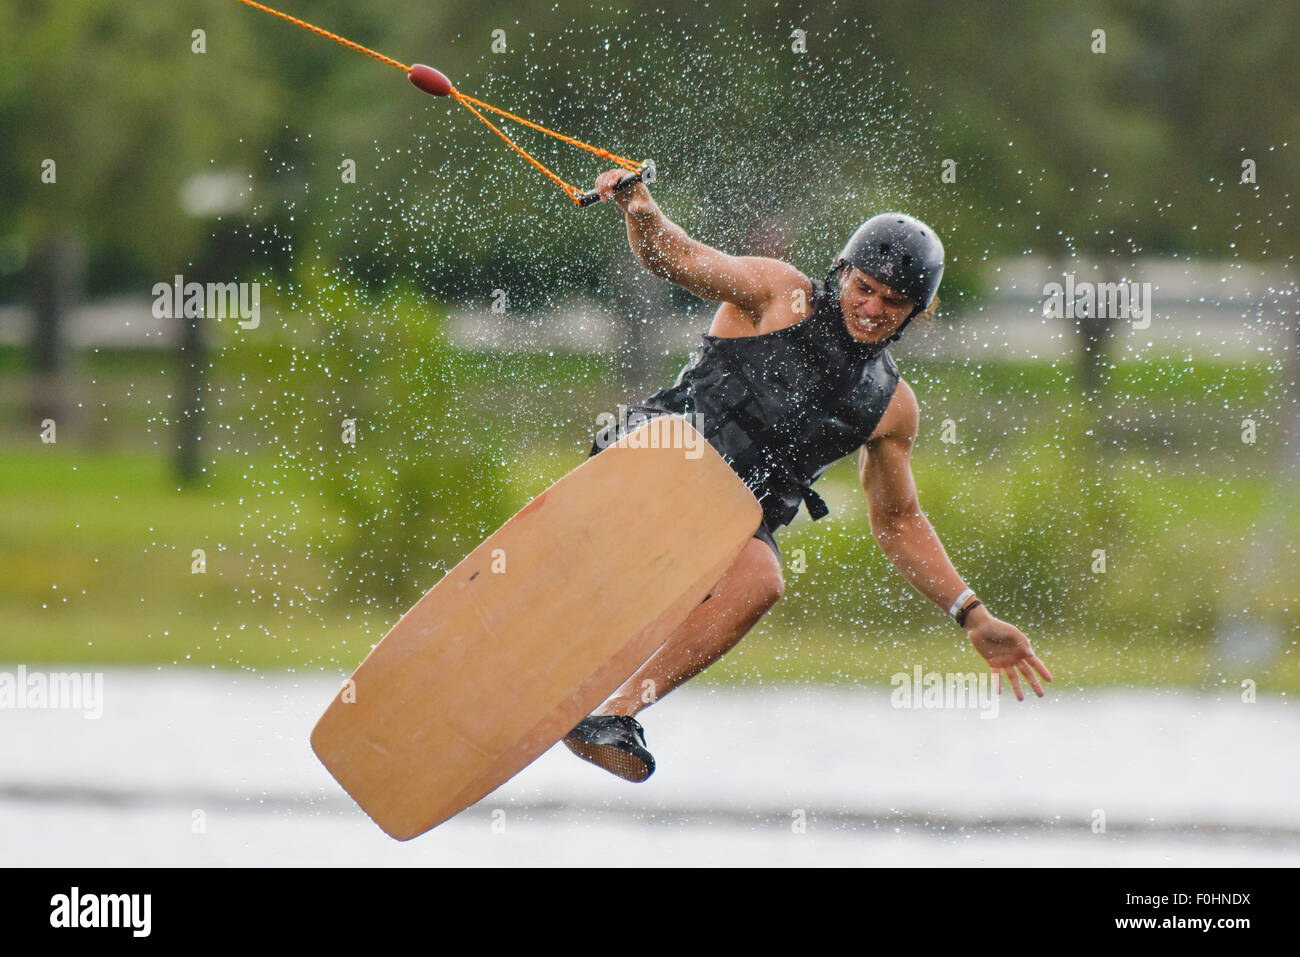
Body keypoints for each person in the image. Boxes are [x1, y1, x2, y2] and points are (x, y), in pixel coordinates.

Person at [563, 169, 1052, 782]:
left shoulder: (891, 405)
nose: (871, 308)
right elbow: (676, 258)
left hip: (721, 526)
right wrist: (640, 211)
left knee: (763, 579)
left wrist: (973, 615)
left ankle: (613, 714)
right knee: (711, 503)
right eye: (864, 288)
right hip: (650, 453)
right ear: (843, 272)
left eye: (892, 302)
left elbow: (899, 522)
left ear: (917, 312)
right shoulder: (777, 293)